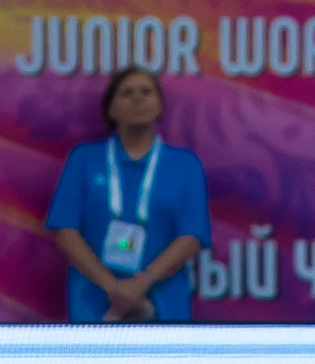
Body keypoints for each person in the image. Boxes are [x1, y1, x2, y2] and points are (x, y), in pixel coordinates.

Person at [46, 67, 212, 321]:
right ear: (111, 109)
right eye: (126, 93)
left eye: (146, 92)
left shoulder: (185, 164)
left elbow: (191, 237)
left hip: (163, 305)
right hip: (94, 303)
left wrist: (140, 284)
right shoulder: (84, 159)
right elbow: (65, 231)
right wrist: (114, 287)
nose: (138, 98)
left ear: (160, 107)